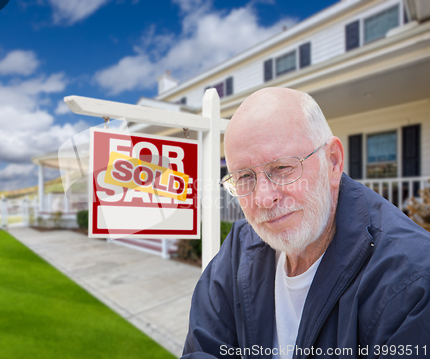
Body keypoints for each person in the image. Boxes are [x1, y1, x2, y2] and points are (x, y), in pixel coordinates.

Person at [181, 88, 430, 359]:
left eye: (282, 168)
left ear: (333, 161)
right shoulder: (238, 249)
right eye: (244, 177)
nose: (264, 198)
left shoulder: (412, 280)